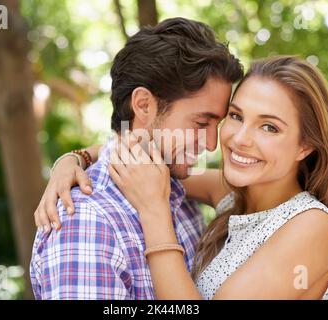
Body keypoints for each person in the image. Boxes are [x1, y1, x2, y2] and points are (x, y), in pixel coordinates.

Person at [38, 56, 328, 299]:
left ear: (305, 145)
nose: (239, 138)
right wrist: (73, 159)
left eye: (269, 127)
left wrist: (155, 213)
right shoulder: (234, 193)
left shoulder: (310, 226)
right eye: (236, 116)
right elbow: (138, 153)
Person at [29, 17, 243, 299]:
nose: (213, 143)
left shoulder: (180, 196)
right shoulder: (87, 224)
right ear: (143, 105)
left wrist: (76, 156)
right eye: (202, 123)